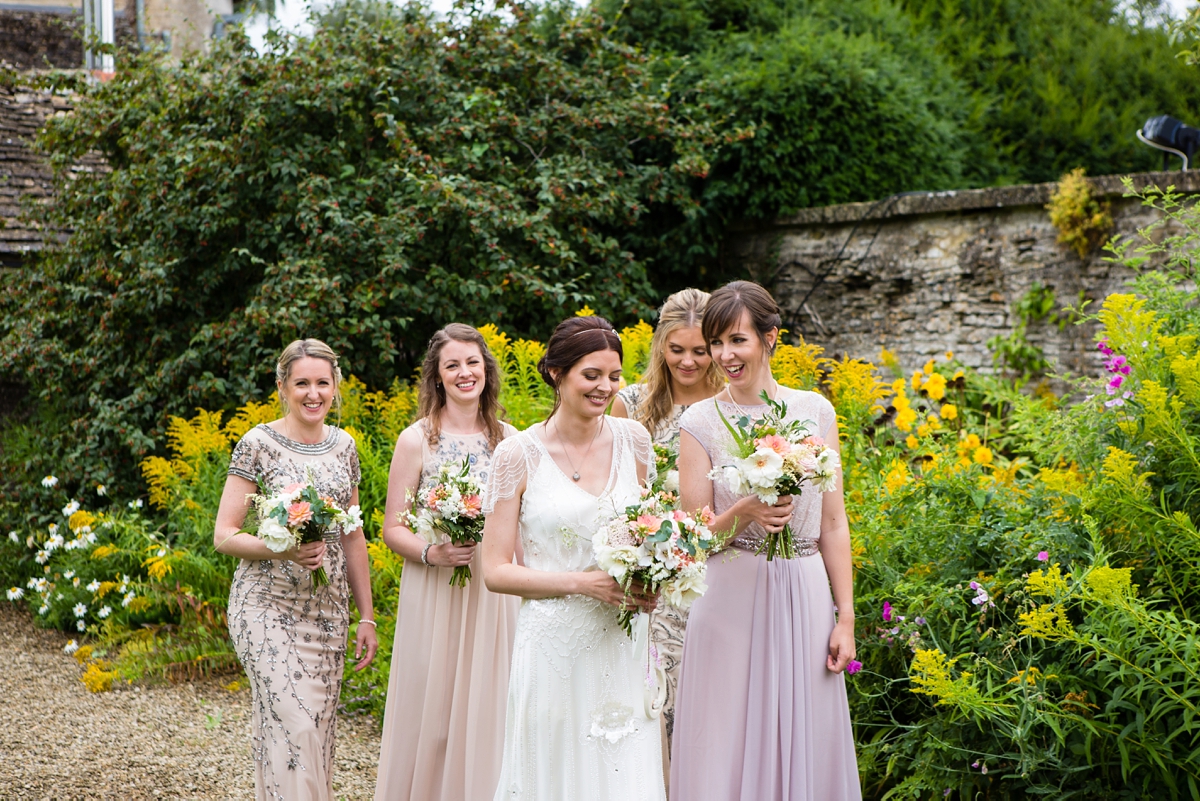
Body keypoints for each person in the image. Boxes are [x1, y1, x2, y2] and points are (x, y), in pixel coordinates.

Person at [669, 281, 860, 800]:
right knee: (724, 741)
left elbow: (834, 524)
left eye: (737, 341)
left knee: (806, 734)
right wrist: (744, 511)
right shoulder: (700, 421)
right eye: (716, 344)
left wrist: (845, 617)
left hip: (804, 591)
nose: (724, 356)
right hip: (730, 597)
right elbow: (693, 536)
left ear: (770, 338)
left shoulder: (815, 410)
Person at [481, 315, 666, 801]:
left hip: (622, 641)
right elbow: (495, 570)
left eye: (614, 375)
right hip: (553, 645)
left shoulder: (636, 442)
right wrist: (584, 583)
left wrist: (658, 572)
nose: (605, 386)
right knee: (555, 771)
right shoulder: (516, 455)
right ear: (556, 373)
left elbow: (653, 534)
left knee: (622, 770)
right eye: (592, 375)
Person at [214, 338, 378, 801]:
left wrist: (365, 617)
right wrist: (280, 549)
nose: (313, 393)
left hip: (326, 614)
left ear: (335, 386)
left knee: (316, 738)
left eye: (322, 383)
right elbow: (225, 534)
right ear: (282, 386)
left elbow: (352, 536)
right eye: (301, 383)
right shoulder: (257, 444)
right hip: (265, 606)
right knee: (297, 725)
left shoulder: (345, 446)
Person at [375, 324, 519, 801]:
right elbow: (392, 527)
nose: (464, 373)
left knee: (490, 700)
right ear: (437, 376)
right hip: (435, 587)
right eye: (452, 365)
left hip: (492, 590)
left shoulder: (510, 440)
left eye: (472, 363)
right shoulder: (416, 439)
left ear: (486, 369)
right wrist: (431, 552)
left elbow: (523, 521)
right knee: (431, 705)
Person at [610, 288, 723, 766]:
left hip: (716, 572)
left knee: (710, 703)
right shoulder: (630, 404)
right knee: (651, 700)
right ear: (660, 345)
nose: (689, 361)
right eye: (677, 350)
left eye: (700, 351)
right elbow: (611, 496)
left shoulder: (728, 408)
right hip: (651, 578)